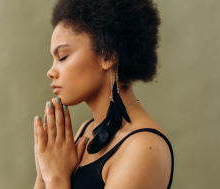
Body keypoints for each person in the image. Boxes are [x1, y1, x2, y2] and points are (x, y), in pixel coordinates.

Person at [33, 0, 174, 188]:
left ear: (108, 55)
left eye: (63, 57)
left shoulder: (144, 148)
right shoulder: (86, 131)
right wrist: (44, 174)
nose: (51, 72)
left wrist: (56, 179)